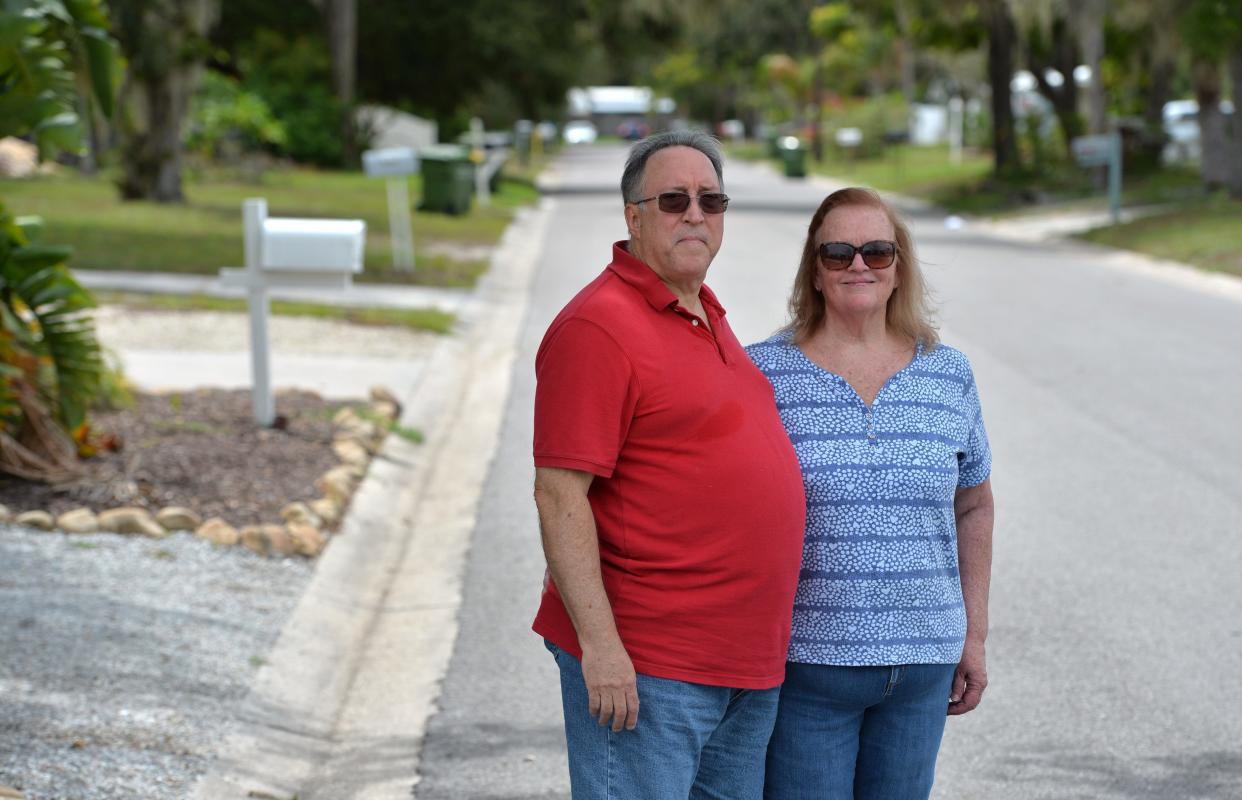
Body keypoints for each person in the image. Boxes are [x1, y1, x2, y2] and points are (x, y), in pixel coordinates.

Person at [531, 131, 807, 799]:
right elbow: (559, 493)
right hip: (652, 664)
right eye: (674, 199)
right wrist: (601, 649)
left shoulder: (704, 312)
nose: (696, 214)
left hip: (743, 666)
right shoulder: (598, 326)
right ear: (633, 215)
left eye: (712, 200)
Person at [746, 187, 995, 799]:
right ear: (816, 270)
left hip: (923, 662)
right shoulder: (762, 375)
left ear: (898, 268)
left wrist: (975, 634)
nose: (859, 265)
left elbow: (974, 502)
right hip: (808, 665)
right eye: (839, 252)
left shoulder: (948, 372)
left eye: (878, 251)